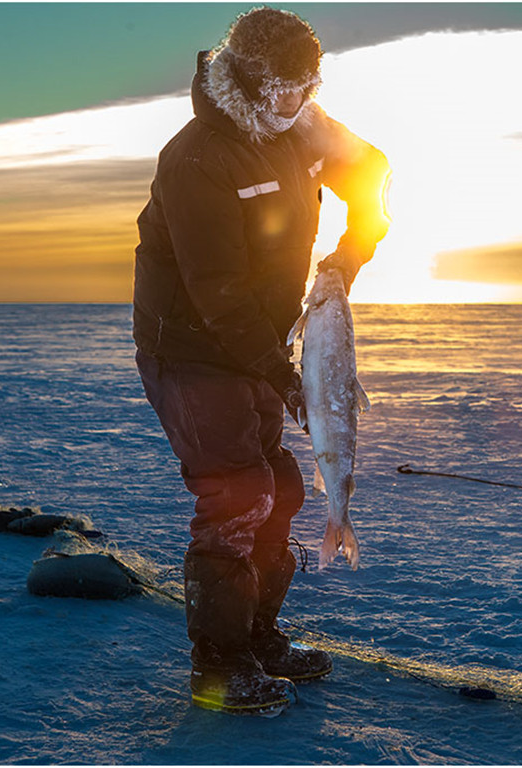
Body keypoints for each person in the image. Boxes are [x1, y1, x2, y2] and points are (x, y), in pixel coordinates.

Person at [132, 7, 390, 716]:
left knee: (282, 486)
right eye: (281, 89)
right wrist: (280, 372)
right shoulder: (197, 157)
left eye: (305, 88)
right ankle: (217, 666)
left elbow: (371, 170)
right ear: (246, 77)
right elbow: (217, 292)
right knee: (236, 496)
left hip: (260, 343)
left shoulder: (304, 124)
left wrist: (352, 249)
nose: (293, 104)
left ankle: (256, 635)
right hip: (191, 348)